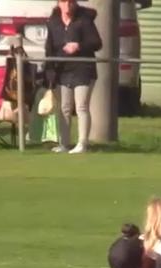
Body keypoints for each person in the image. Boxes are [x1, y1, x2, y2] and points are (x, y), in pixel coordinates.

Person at [45, 0, 102, 154]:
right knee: (64, 108)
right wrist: (49, 70)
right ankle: (64, 143)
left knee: (81, 106)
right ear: (59, 3)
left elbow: (96, 43)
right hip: (63, 69)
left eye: (71, 2)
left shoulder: (84, 20)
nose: (68, 5)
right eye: (64, 2)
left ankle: (82, 143)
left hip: (83, 68)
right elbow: (49, 48)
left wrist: (79, 46)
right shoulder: (53, 22)